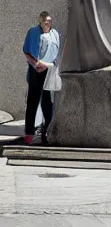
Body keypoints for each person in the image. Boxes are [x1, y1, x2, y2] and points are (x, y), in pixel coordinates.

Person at [23, 11, 60, 145]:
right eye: (45, 21)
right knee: (33, 101)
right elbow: (26, 51)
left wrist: (48, 65)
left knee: (47, 102)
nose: (47, 23)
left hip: (48, 69)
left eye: (49, 21)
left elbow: (57, 53)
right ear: (40, 21)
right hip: (36, 69)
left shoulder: (55, 34)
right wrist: (35, 64)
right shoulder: (33, 32)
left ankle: (47, 132)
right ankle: (29, 132)